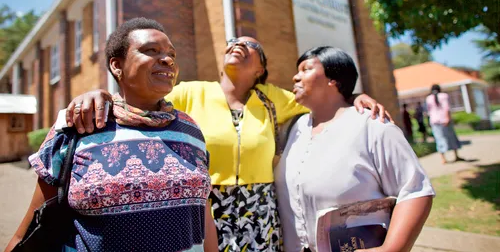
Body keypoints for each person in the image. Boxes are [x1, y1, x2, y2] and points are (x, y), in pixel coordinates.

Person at [63, 36, 392, 252]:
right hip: (206, 206)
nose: (238, 44)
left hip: (260, 208)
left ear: (261, 68)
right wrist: (99, 94)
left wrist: (356, 95)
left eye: (249, 46)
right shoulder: (191, 92)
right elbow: (136, 96)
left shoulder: (273, 99)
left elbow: (323, 95)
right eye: (233, 41)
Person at [5, 18, 218, 252]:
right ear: (117, 65)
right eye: (150, 51)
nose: (167, 60)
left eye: (171, 55)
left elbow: (202, 214)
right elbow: (29, 230)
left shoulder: (191, 129)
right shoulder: (80, 125)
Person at [275, 46, 435, 252]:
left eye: (306, 69)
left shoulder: (372, 125)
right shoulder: (293, 128)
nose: (295, 78)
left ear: (333, 79)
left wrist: (391, 249)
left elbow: (415, 191)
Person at [426, 84, 464, 164]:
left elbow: (429, 112)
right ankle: (456, 155)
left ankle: (443, 159)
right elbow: (447, 108)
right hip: (444, 120)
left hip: (434, 121)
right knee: (451, 137)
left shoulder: (428, 98)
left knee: (439, 139)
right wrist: (447, 118)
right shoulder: (444, 96)